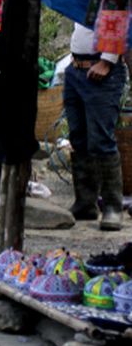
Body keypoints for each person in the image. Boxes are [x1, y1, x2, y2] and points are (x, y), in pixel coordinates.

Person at [64, 23, 128, 231]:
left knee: (101, 139)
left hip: (101, 68)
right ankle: (85, 202)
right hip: (77, 67)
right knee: (78, 137)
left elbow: (121, 19)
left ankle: (112, 207)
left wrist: (107, 60)